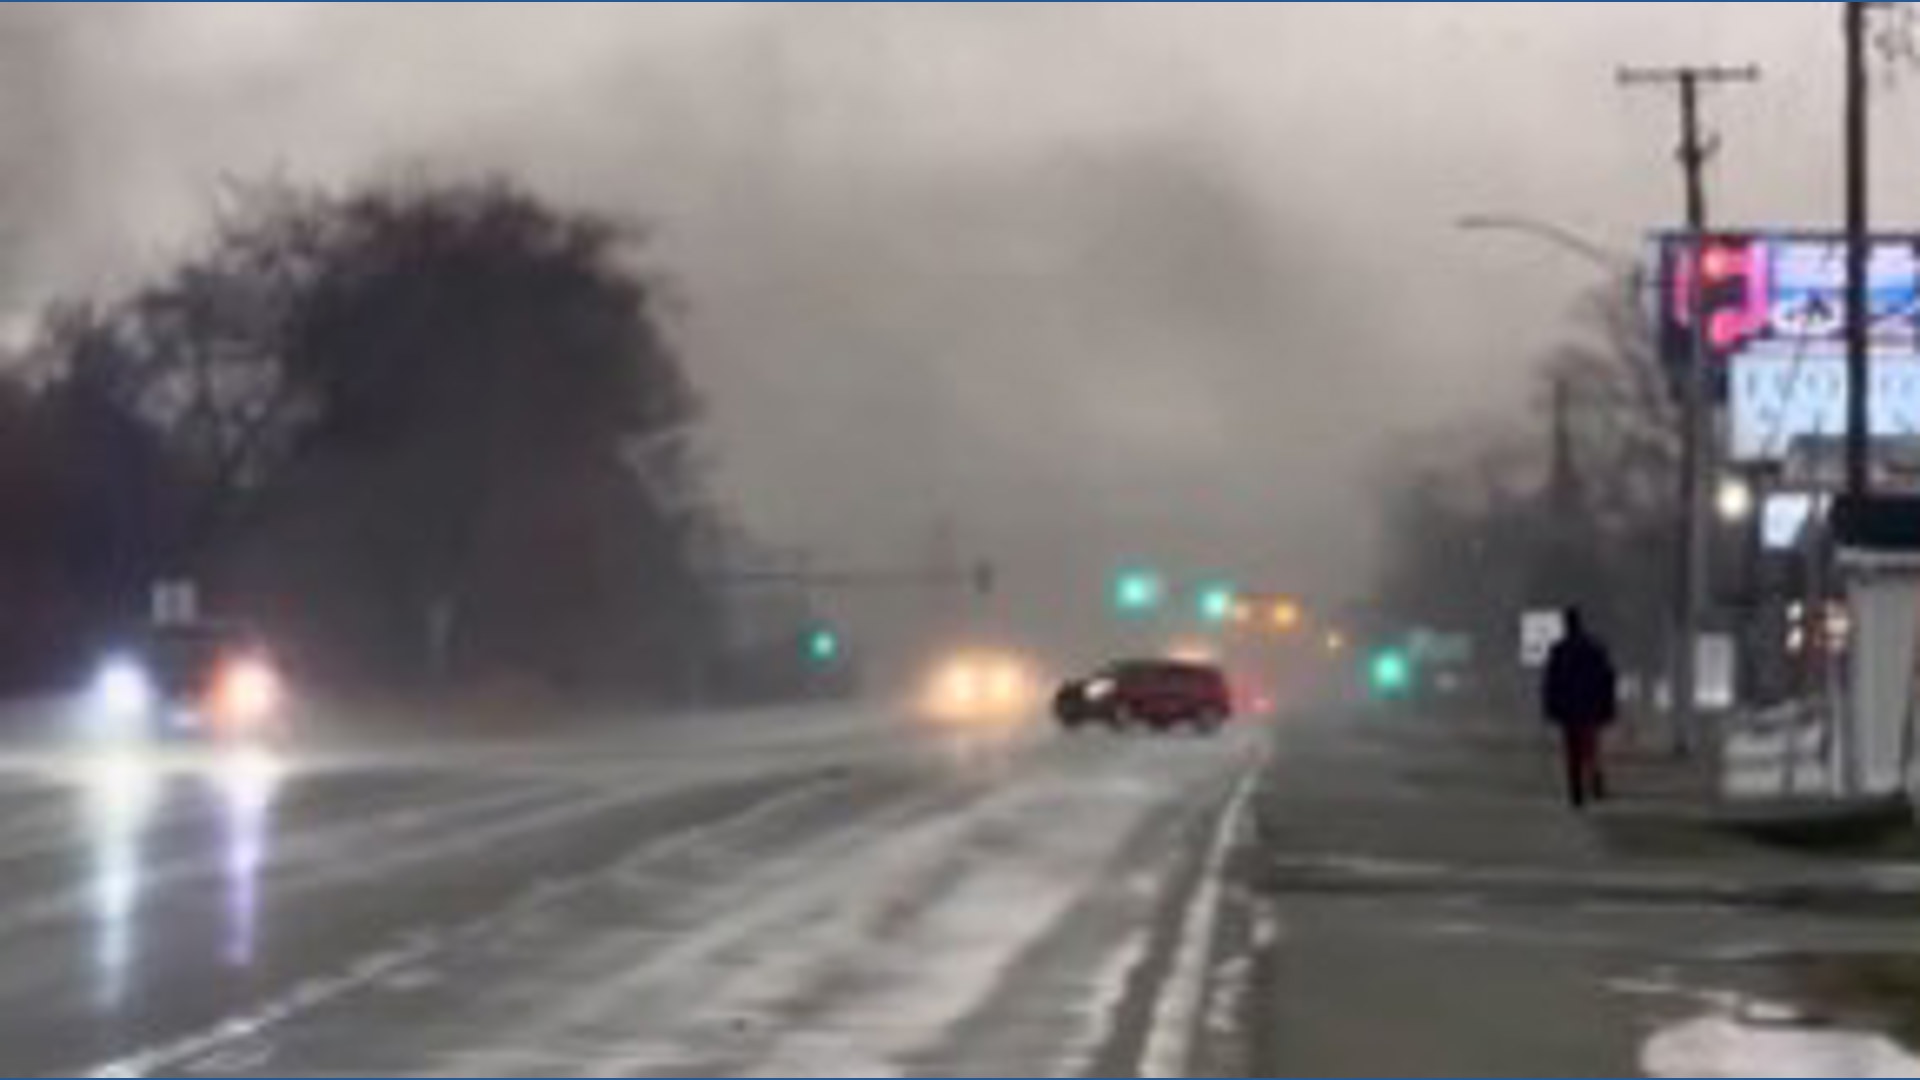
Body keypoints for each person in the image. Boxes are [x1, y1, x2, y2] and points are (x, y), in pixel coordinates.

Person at [1541, 607, 1620, 809]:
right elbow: (1607, 679)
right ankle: (1595, 779)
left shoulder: (1559, 651)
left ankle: (1576, 790)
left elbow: (1551, 684)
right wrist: (1608, 708)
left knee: (1573, 752)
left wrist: (1550, 709)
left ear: (1566, 625)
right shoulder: (1595, 648)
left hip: (1569, 711)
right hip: (1591, 709)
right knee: (1591, 747)